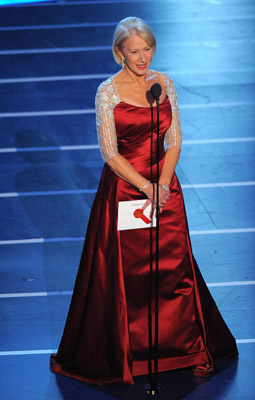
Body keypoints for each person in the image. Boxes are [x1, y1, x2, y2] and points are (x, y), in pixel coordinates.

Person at [50, 16, 238, 385]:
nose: (143, 57)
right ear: (119, 52)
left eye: (147, 48)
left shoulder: (163, 83)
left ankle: (183, 348)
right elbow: (109, 152)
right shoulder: (108, 92)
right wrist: (145, 187)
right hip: (126, 190)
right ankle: (128, 354)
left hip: (165, 188)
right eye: (134, 51)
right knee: (128, 276)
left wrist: (164, 183)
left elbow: (175, 138)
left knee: (172, 270)